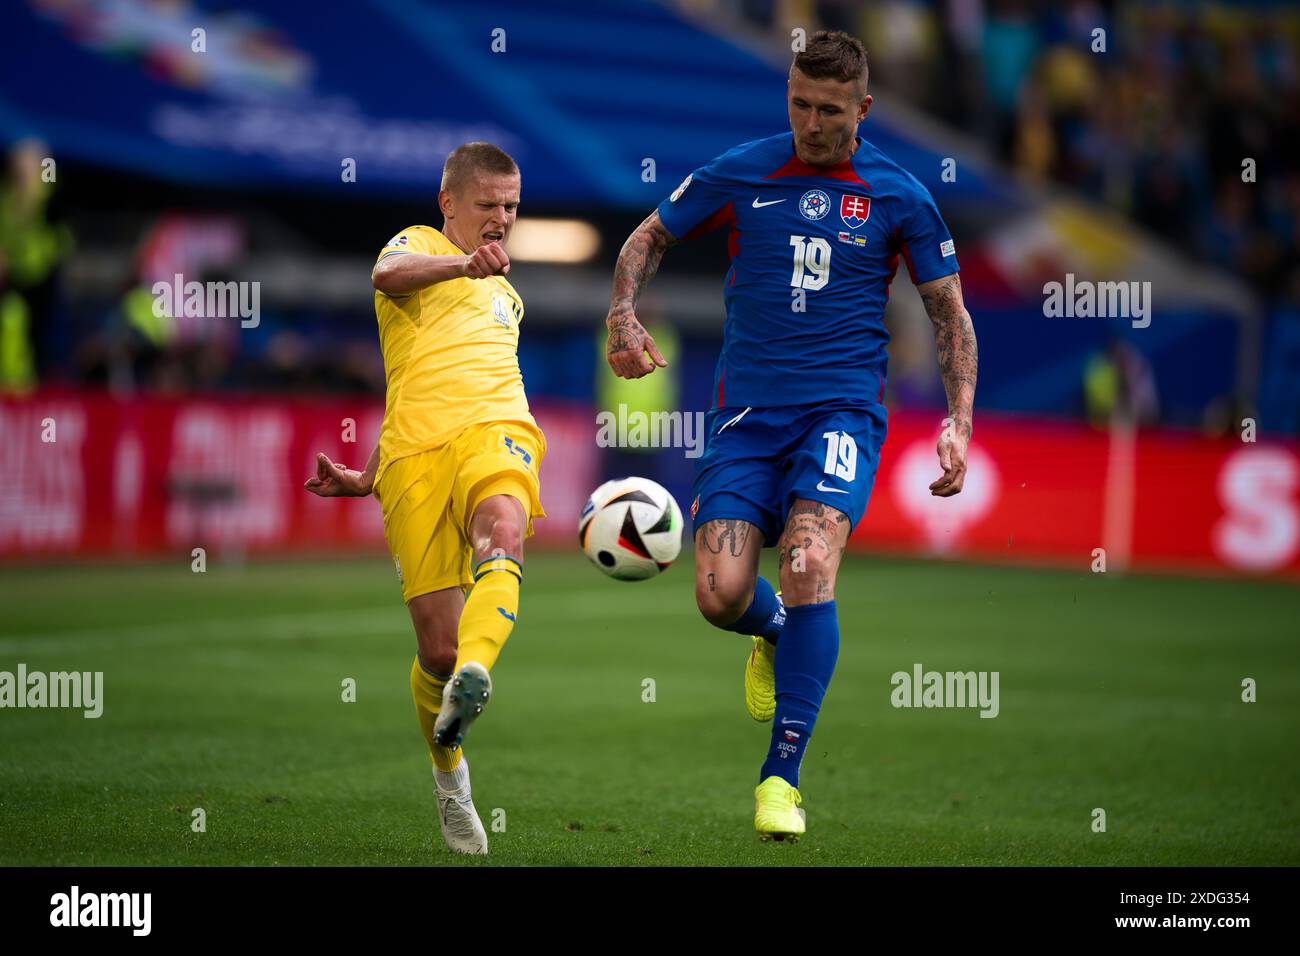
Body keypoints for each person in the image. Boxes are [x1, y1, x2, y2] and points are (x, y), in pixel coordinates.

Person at [604, 31, 978, 842]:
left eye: (830, 110)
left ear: (864, 109)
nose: (812, 123)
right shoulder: (744, 169)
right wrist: (623, 310)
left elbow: (949, 313)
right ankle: (771, 631)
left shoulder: (901, 194)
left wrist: (958, 419)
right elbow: (648, 236)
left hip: (841, 413)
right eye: (800, 104)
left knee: (810, 561)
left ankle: (782, 777)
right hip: (745, 418)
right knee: (719, 595)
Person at [305, 142, 546, 856]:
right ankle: (450, 774)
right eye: (488, 206)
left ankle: (479, 672)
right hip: (413, 457)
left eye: (511, 207)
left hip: (497, 430)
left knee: (503, 525)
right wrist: (369, 473)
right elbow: (388, 279)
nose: (502, 219)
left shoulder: (509, 296)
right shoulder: (420, 246)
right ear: (450, 204)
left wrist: (479, 270)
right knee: (436, 649)